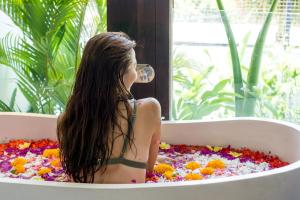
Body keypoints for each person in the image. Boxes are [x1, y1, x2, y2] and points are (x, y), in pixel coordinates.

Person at [57, 32, 161, 184]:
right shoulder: (150, 109)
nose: (136, 73)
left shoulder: (66, 120)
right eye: (134, 66)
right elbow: (149, 169)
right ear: (121, 73)